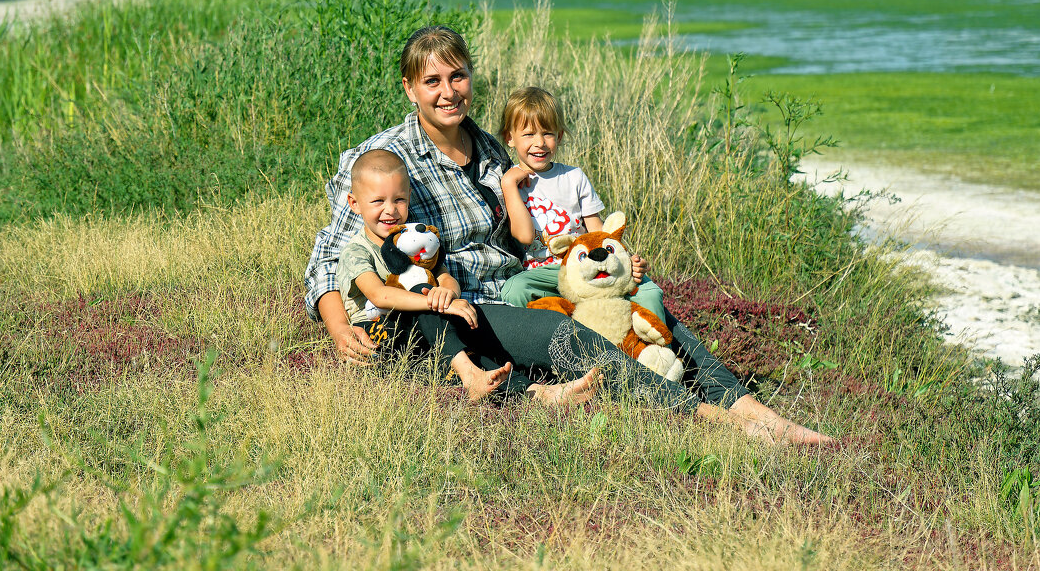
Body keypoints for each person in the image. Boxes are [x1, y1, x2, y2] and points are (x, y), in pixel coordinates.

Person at [305, 25, 831, 443]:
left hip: (517, 286)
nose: (448, 92)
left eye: (457, 77)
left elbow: (528, 231)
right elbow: (333, 250)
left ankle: (746, 404)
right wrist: (336, 324)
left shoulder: (491, 149)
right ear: (409, 88)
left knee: (640, 307)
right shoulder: (383, 159)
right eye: (432, 82)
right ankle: (710, 419)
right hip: (456, 308)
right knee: (572, 340)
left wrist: (597, 257)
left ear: (471, 78)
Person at [336, 147, 514, 401]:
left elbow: (443, 274)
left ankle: (537, 391)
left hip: (416, 333)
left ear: (409, 197)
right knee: (421, 292)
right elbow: (379, 295)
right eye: (378, 201)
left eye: (399, 200)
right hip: (376, 337)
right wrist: (431, 301)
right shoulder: (356, 251)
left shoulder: (412, 240)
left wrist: (447, 293)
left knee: (479, 359)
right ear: (354, 203)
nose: (390, 210)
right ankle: (468, 372)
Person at [496, 86, 666, 319]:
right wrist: (509, 185)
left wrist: (625, 259)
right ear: (510, 138)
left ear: (560, 136)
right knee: (515, 290)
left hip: (584, 264)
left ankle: (653, 350)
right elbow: (525, 237)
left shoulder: (573, 177)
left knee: (649, 292)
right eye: (528, 134)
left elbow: (598, 231)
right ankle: (529, 350)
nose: (540, 143)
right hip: (545, 272)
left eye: (547, 133)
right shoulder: (508, 181)